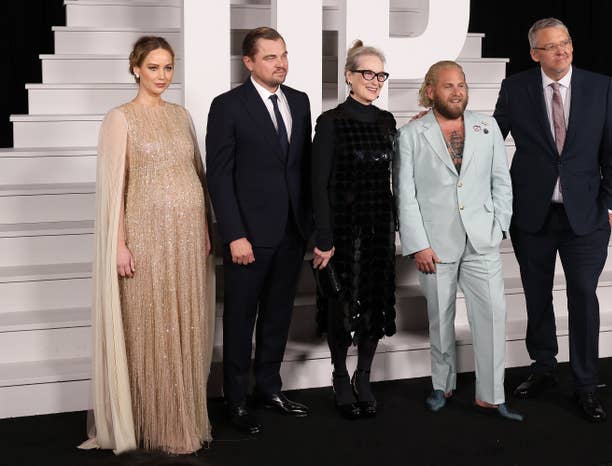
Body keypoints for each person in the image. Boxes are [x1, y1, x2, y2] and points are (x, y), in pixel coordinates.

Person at [81, 36, 215, 454]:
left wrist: (207, 225)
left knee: (186, 323)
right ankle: (155, 423)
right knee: (152, 324)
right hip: (145, 234)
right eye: (154, 67)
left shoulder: (181, 115)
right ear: (136, 67)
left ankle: (183, 418)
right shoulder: (119, 118)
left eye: (168, 67)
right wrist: (118, 243)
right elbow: (114, 189)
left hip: (189, 235)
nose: (162, 76)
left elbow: (197, 173)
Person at [493, 18, 612, 423]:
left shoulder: (599, 86)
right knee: (537, 294)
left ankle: (586, 384)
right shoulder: (516, 88)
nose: (562, 51)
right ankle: (544, 367)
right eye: (551, 46)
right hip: (532, 214)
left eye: (565, 42)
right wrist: (445, 130)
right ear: (535, 54)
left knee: (583, 295)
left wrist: (611, 206)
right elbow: (492, 140)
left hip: (586, 216)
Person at [395, 60, 521, 421]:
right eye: (448, 86)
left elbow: (502, 181)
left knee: (493, 316)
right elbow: (405, 194)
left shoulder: (488, 126)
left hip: (482, 238)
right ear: (431, 90)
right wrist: (417, 244)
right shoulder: (411, 135)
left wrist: (499, 226)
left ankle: (492, 396)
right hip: (434, 245)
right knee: (440, 317)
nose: (457, 92)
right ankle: (442, 384)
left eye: (462, 85)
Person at [205, 27, 313, 435]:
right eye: (270, 57)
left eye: (283, 55)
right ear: (248, 62)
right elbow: (220, 175)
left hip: (290, 232)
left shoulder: (299, 102)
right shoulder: (228, 106)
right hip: (247, 236)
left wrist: (310, 227)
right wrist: (234, 234)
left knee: (277, 316)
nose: (280, 63)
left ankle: (268, 388)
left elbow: (302, 169)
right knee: (239, 320)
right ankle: (235, 401)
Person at [311, 40, 397, 419]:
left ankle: (364, 376)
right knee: (341, 308)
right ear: (348, 76)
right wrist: (324, 238)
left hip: (378, 226)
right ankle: (340, 376)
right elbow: (318, 184)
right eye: (367, 73)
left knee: (374, 305)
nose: (375, 80)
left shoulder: (386, 121)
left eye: (380, 74)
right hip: (343, 232)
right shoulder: (330, 122)